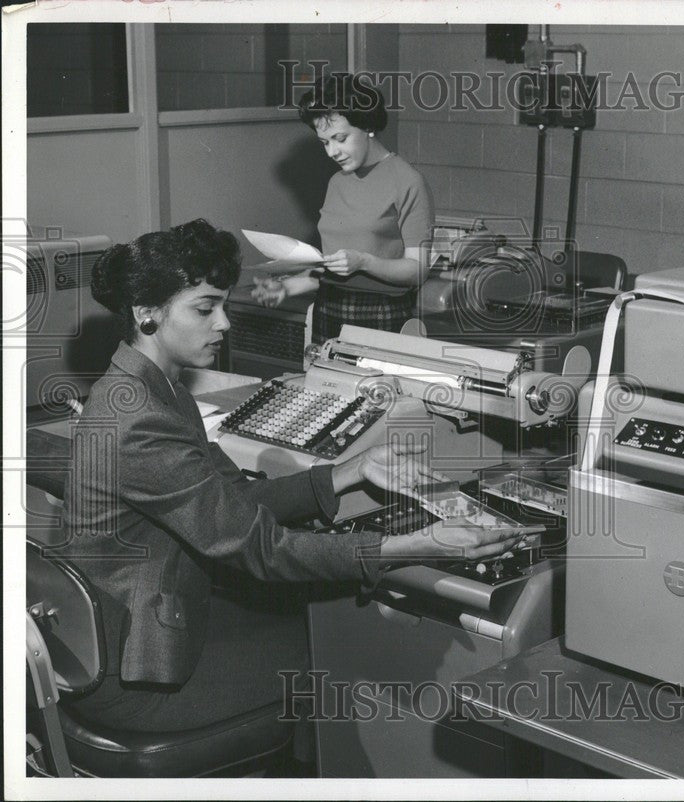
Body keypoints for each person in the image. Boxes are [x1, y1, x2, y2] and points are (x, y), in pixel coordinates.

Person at [61, 219, 525, 744]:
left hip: (140, 630)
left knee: (314, 629)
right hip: (134, 680)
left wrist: (348, 471)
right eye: (204, 307)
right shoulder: (139, 418)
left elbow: (237, 501)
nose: (225, 324)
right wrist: (415, 544)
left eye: (224, 305)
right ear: (146, 314)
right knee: (336, 655)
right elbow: (262, 548)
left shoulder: (154, 389)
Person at [252, 73, 433, 341]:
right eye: (325, 142)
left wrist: (365, 262)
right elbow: (332, 270)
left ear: (367, 125)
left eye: (340, 138)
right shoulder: (337, 181)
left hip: (382, 313)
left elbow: (418, 270)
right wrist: (286, 287)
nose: (331, 152)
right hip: (330, 308)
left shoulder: (408, 181)